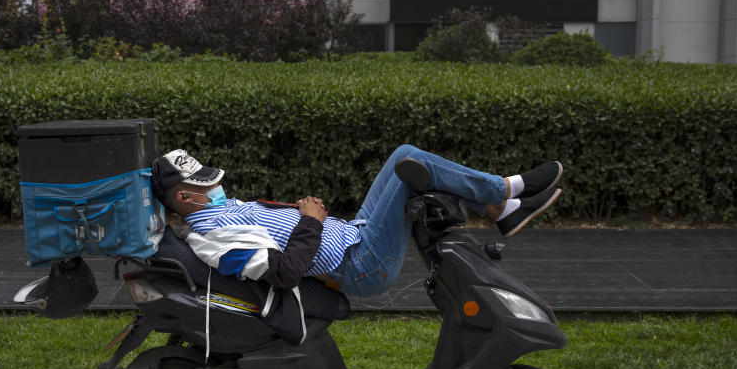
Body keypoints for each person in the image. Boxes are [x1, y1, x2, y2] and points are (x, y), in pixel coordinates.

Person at [151, 145, 562, 301]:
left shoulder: (215, 211)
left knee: (404, 155)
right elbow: (284, 273)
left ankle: (502, 208)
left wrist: (300, 215)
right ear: (186, 198)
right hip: (361, 266)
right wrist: (310, 221)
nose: (219, 185)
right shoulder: (213, 235)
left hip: (354, 234)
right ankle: (506, 194)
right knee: (408, 170)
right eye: (206, 183)